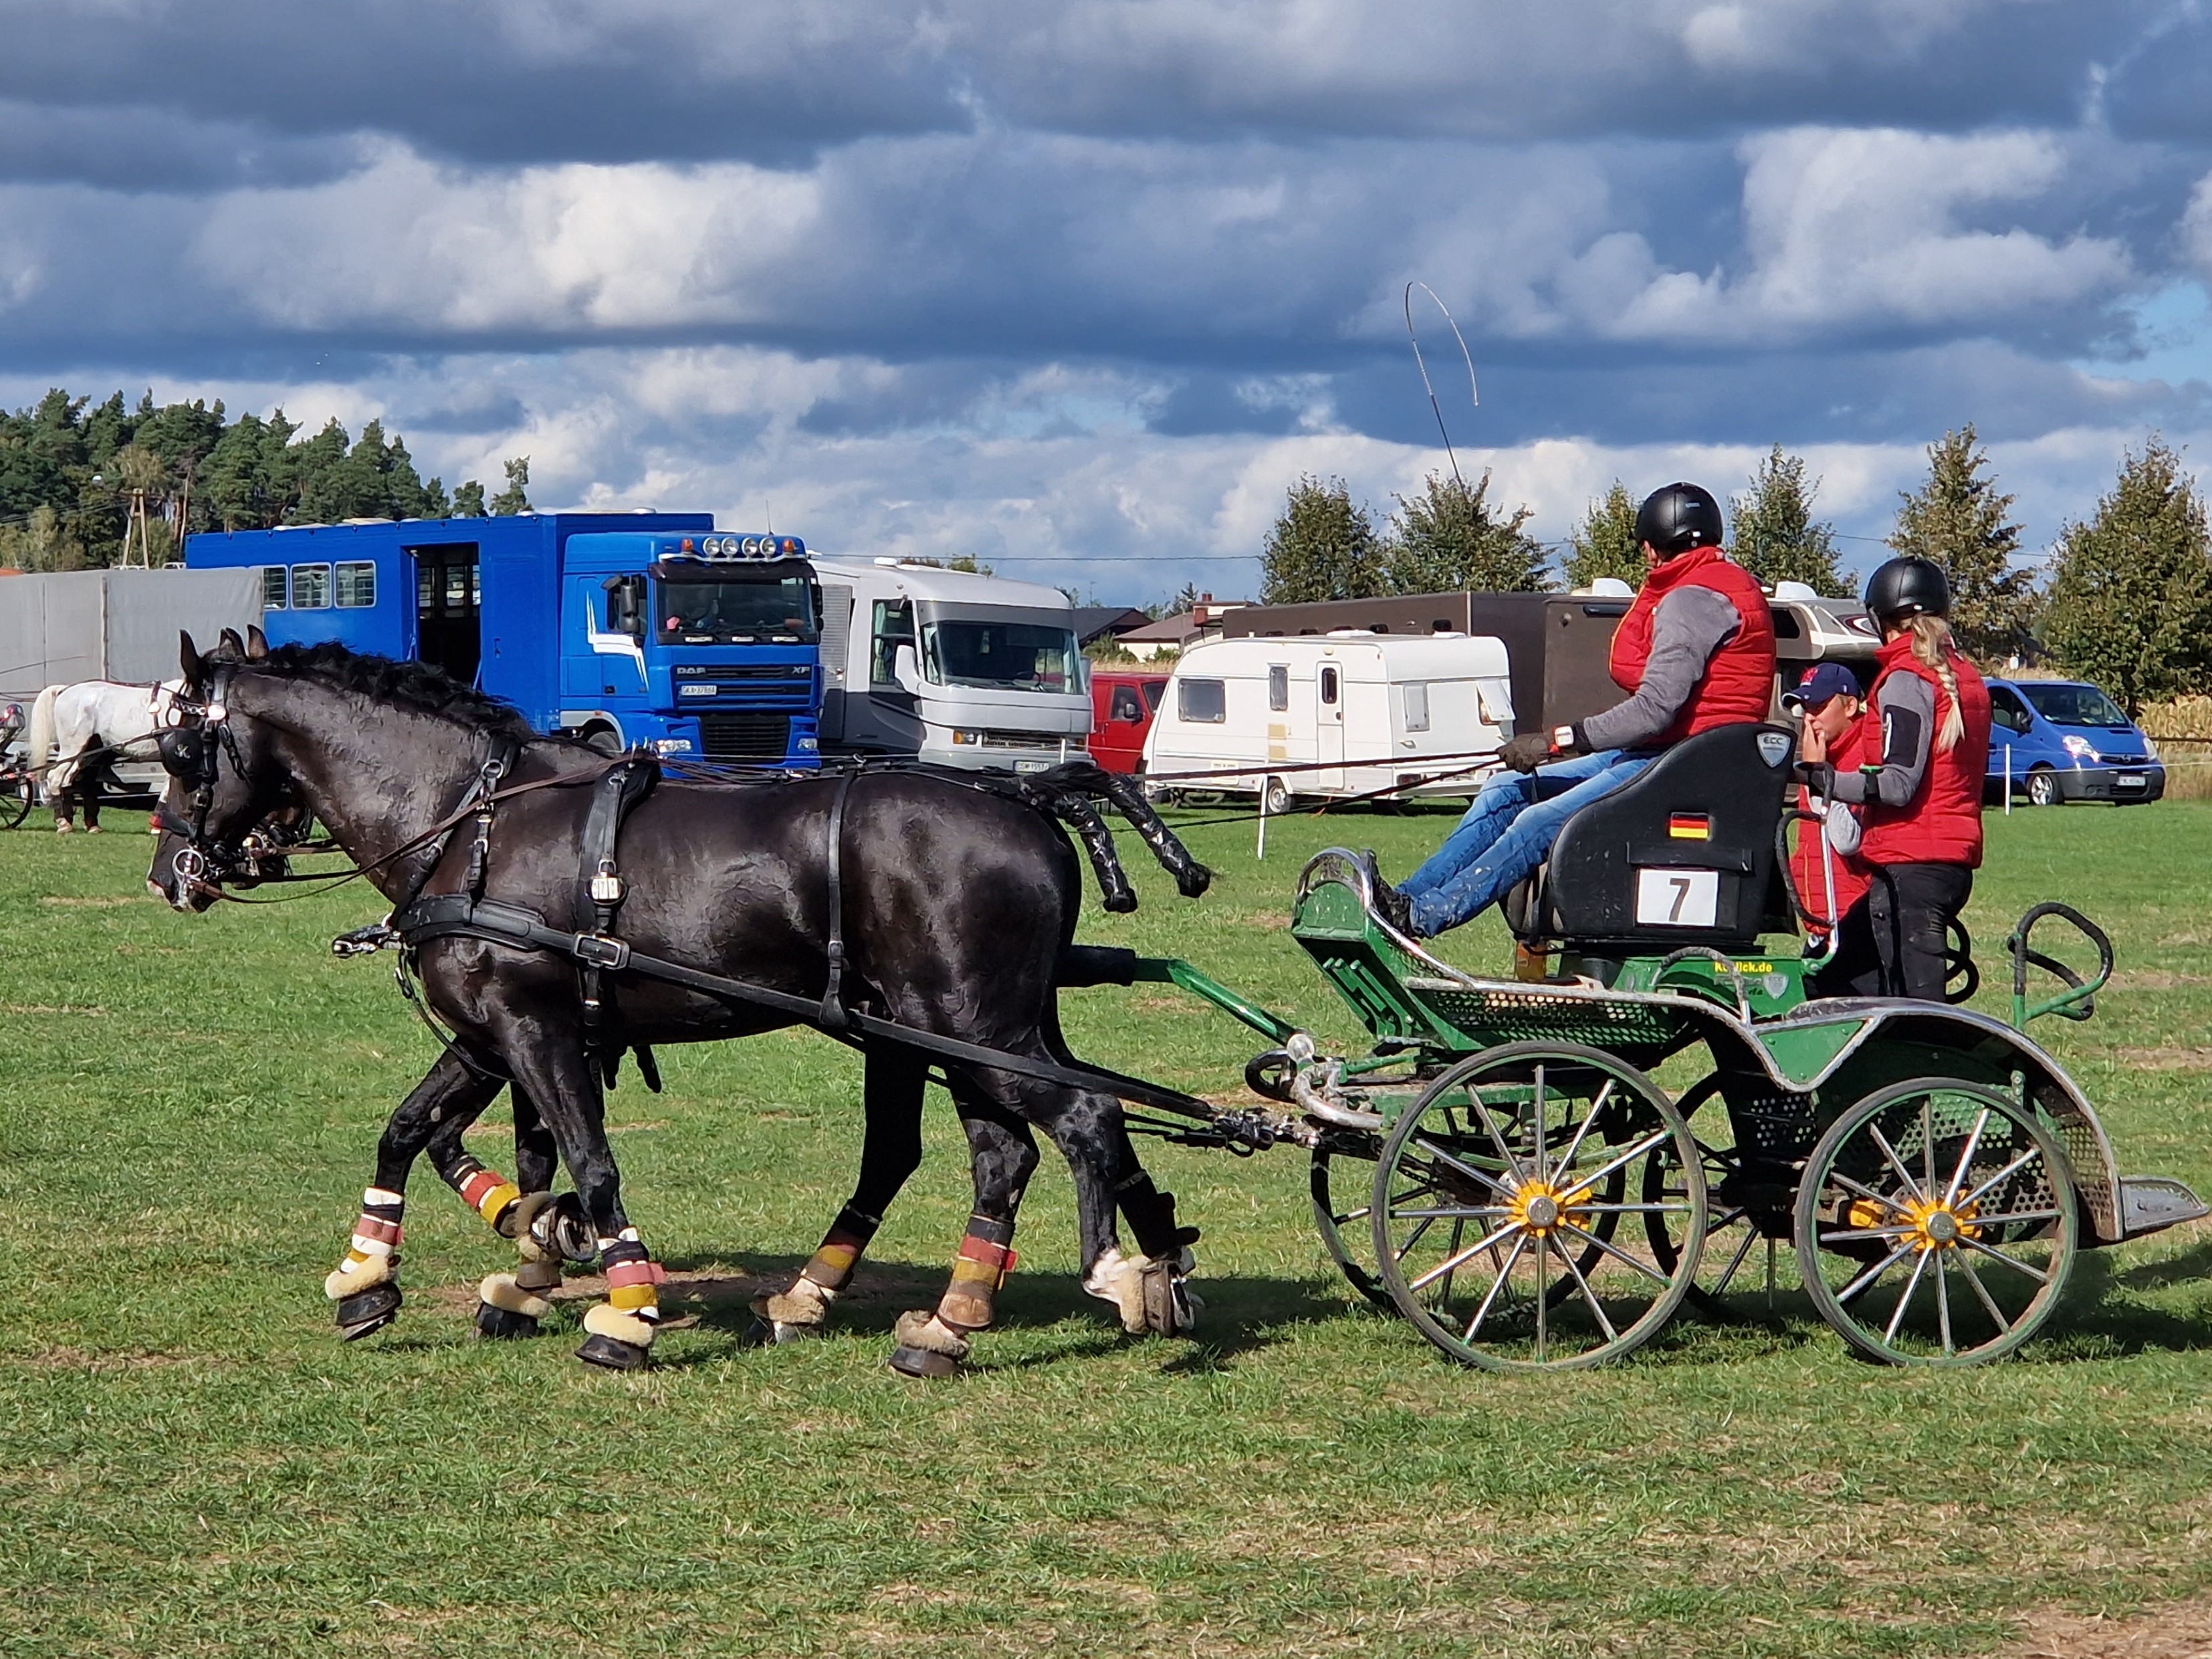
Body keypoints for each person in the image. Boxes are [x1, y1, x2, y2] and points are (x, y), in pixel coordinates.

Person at [1373, 481, 1776, 938]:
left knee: (1537, 820)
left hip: (1682, 766)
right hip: (1681, 755)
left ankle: (1422, 918)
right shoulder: (1728, 584)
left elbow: (1654, 710)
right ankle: (1405, 898)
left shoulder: (1690, 600)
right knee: (1504, 788)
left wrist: (1555, 740)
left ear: (1650, 548)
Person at [1799, 557, 1990, 1002]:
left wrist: (1817, 777)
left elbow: (1897, 785)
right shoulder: (1966, 677)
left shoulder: (1906, 679)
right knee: (1835, 972)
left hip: (1912, 866)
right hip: (1947, 860)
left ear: (1877, 619)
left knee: (1918, 1011)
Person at [1780, 662, 1875, 994]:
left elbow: (1847, 839)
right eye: (1805, 708)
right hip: (1823, 923)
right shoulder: (1821, 754)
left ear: (1850, 706)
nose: (1809, 718)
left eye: (1820, 707)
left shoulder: (1863, 754)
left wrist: (1818, 775)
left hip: (1855, 922)